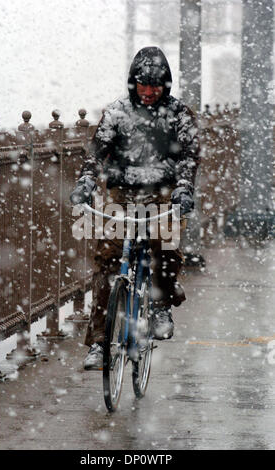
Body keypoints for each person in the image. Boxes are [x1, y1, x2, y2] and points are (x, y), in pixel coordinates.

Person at [70, 47, 200, 370]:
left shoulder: (179, 116)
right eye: (143, 84)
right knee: (107, 258)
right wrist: (87, 181)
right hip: (123, 197)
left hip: (163, 196)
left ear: (165, 85)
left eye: (155, 85)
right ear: (133, 83)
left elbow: (188, 157)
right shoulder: (115, 115)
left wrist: (183, 188)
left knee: (164, 245)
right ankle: (100, 343)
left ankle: (160, 307)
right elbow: (95, 155)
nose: (148, 92)